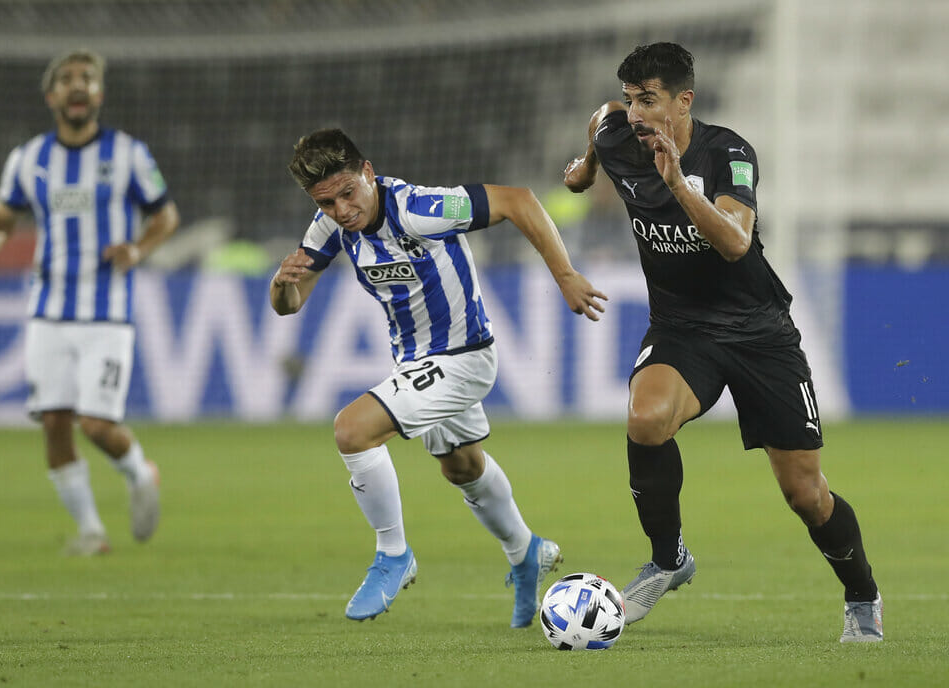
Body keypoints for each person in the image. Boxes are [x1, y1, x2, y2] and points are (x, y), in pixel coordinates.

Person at [564, 42, 882, 642]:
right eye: (631, 99)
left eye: (649, 100)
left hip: (759, 331)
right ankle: (666, 560)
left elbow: (736, 243)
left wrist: (679, 185)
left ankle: (861, 594)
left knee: (805, 494)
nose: (635, 113)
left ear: (685, 101)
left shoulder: (729, 153)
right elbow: (599, 118)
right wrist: (584, 168)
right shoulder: (616, 131)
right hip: (683, 328)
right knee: (646, 417)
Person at [273, 128, 606, 626]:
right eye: (326, 202)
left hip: (465, 358)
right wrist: (283, 285)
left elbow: (519, 200)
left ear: (367, 172)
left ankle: (393, 554)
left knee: (352, 429)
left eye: (347, 193)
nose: (342, 210)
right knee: (463, 468)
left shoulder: (417, 208)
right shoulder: (329, 229)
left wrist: (564, 275)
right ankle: (526, 550)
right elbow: (290, 306)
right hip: (416, 364)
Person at [0, 49, 179, 556]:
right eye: (67, 79)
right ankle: (92, 532)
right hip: (48, 311)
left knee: (97, 424)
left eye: (87, 79)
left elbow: (165, 215)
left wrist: (138, 249)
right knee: (54, 421)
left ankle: (141, 471)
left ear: (98, 94)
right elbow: (1, 221)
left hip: (107, 312)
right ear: (52, 95)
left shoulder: (128, 153)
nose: (78, 86)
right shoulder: (29, 158)